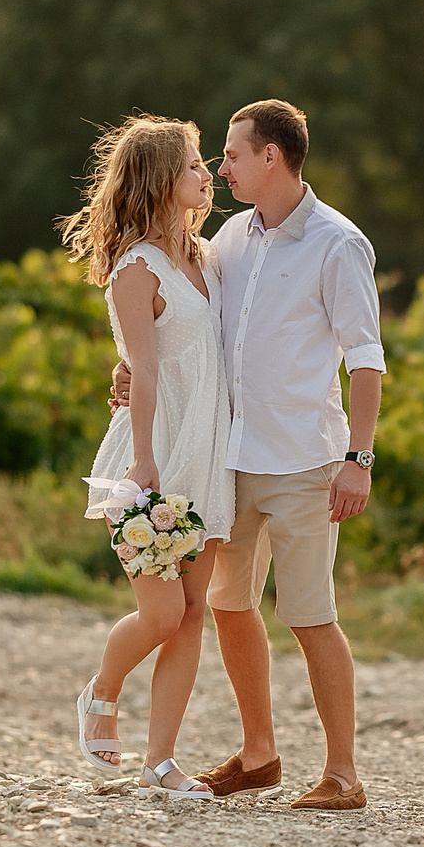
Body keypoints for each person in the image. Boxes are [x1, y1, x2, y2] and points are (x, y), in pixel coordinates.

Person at [117, 98, 383, 811]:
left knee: (310, 614)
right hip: (229, 460)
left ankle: (343, 773)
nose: (222, 167)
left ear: (272, 156)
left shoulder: (337, 243)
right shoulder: (230, 238)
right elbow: (187, 324)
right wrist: (130, 366)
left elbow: (366, 358)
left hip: (304, 462)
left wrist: (359, 458)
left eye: (233, 154)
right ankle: (260, 753)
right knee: (229, 607)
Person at [62, 116, 234, 799]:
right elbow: (146, 368)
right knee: (161, 615)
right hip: (154, 454)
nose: (207, 174)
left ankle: (160, 762)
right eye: (193, 164)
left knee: (192, 614)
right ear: (162, 179)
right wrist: (143, 463)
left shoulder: (208, 257)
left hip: (210, 453)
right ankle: (101, 689)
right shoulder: (136, 269)